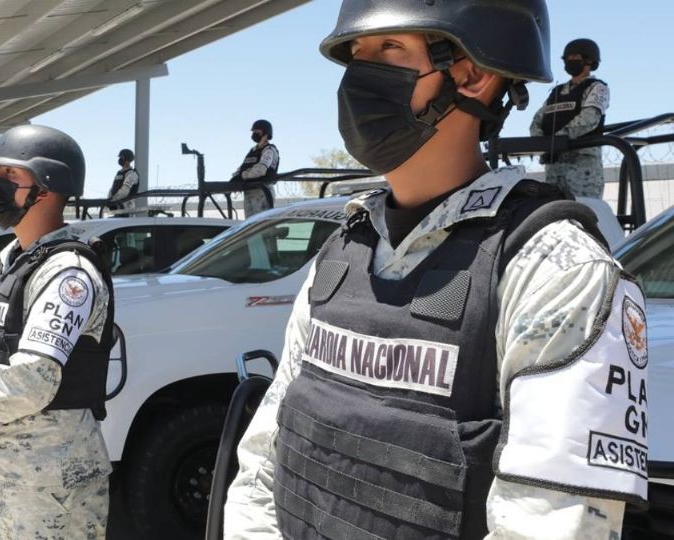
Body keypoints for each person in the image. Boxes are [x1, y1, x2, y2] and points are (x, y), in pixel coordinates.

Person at [224, 1, 647, 539]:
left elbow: (547, 525)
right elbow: (264, 467)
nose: (358, 77)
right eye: (356, 53)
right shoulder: (343, 252)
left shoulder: (557, 272)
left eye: (389, 48)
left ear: (472, 74)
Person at [0, 124, 116, 539]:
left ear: (47, 187)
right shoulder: (16, 263)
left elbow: (32, 378)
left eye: (10, 175)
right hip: (14, 474)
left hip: (54, 482)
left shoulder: (69, 273)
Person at [531, 38, 610, 198]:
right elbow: (538, 120)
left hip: (581, 167)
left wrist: (556, 139)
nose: (570, 61)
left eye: (575, 58)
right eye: (567, 58)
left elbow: (589, 119)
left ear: (589, 61)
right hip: (554, 165)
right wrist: (541, 142)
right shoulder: (556, 92)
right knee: (556, 216)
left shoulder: (597, 88)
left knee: (585, 214)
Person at [231, 119, 280, 217]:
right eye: (253, 131)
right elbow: (243, 167)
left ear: (265, 132)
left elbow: (260, 170)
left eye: (257, 131)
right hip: (250, 191)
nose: (254, 133)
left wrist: (243, 176)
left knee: (261, 224)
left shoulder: (269, 150)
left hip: (262, 192)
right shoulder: (252, 151)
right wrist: (235, 178)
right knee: (250, 225)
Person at [107, 148, 140, 214]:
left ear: (127, 159)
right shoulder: (119, 172)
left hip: (125, 209)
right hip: (116, 208)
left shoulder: (132, 174)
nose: (119, 159)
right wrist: (108, 200)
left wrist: (113, 201)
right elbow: (113, 188)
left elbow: (125, 191)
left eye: (121, 157)